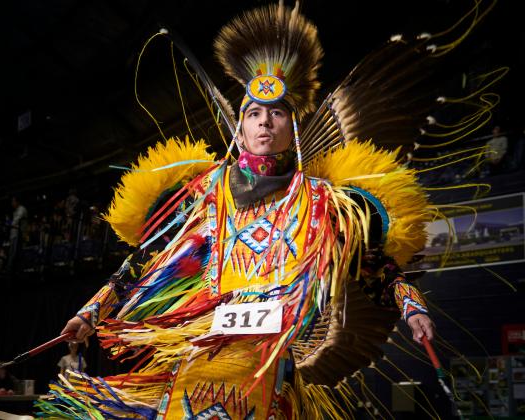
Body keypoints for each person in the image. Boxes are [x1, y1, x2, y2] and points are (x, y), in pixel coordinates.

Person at [36, 2, 501, 418]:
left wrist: (411, 307)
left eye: (276, 113)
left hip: (271, 353)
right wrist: (90, 314)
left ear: (291, 127)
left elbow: (372, 264)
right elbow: (143, 261)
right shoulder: (206, 194)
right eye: (254, 113)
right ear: (239, 128)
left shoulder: (319, 198)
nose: (265, 121)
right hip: (204, 344)